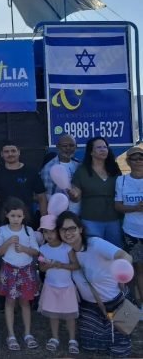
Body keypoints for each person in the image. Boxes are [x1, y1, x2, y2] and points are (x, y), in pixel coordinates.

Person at [57, 211, 133, 357]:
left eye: (72, 228)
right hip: (89, 309)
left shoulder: (96, 244)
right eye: (63, 229)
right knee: (90, 348)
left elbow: (125, 256)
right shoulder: (66, 251)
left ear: (80, 229)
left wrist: (122, 273)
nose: (68, 233)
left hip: (115, 304)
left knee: (119, 350)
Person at [0, 197, 40, 351]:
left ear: (24, 216)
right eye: (13, 216)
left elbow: (36, 251)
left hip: (26, 270)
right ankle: (11, 334)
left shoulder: (28, 231)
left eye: (19, 216)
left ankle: (27, 333)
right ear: (6, 215)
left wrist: (24, 249)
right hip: (9, 270)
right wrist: (7, 242)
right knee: (9, 302)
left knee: (25, 302)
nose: (16, 219)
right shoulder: (1, 231)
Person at [37, 214, 80, 355]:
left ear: (58, 231)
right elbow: (41, 268)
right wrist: (48, 265)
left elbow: (75, 265)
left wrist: (60, 265)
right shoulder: (43, 249)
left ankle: (72, 339)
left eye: (51, 231)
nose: (48, 235)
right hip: (50, 286)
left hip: (67, 286)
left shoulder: (66, 248)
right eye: (45, 232)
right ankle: (55, 337)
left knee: (70, 315)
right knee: (53, 313)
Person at [70, 136, 122, 247]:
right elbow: (76, 197)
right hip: (90, 220)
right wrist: (74, 195)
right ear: (91, 152)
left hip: (114, 219)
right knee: (95, 251)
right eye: (99, 147)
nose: (103, 150)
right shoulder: (82, 171)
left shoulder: (115, 169)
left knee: (115, 252)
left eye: (105, 147)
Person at [0, 142, 47, 228]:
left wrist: (44, 222)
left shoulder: (31, 171)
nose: (10, 154)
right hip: (3, 218)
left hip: (26, 218)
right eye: (6, 151)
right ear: (1, 154)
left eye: (13, 151)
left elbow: (42, 198)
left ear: (19, 152)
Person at [114, 146, 143, 317]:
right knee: (138, 269)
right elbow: (117, 206)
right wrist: (134, 208)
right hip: (132, 232)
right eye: (134, 158)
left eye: (141, 158)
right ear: (128, 162)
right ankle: (139, 305)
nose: (138, 161)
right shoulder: (121, 181)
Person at [40, 134, 80, 214]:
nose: (68, 148)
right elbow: (47, 196)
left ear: (76, 146)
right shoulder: (49, 167)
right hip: (58, 214)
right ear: (57, 147)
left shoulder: (79, 165)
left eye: (71, 145)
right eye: (64, 146)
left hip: (77, 213)